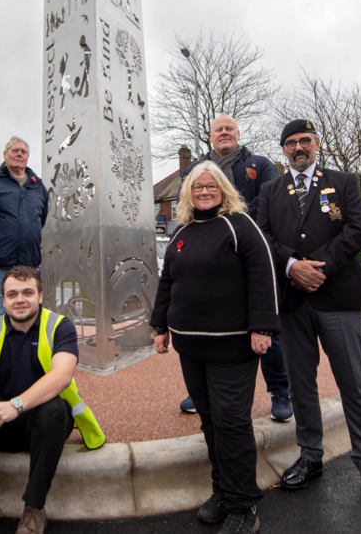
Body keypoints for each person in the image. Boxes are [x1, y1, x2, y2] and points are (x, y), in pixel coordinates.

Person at [255, 119, 361, 513]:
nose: (298, 147)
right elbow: (263, 236)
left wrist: (318, 268)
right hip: (293, 302)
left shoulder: (344, 182)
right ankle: (311, 456)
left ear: (316, 144)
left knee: (354, 383)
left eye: (305, 141)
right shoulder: (269, 190)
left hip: (338, 295)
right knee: (301, 385)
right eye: (291, 143)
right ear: (283, 150)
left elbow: (356, 229)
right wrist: (291, 266)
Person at [151, 161, 279, 534]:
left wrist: (262, 327)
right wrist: (161, 325)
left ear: (223, 189)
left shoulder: (239, 226)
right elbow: (167, 281)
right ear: (187, 193)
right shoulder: (182, 232)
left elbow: (262, 272)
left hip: (233, 346)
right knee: (209, 421)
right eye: (197, 187)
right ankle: (222, 490)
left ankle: (244, 506)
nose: (204, 191)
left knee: (231, 422)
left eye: (211, 186)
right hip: (191, 347)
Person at [0, 266, 105, 534]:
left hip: (44, 425)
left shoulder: (59, 326)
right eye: (12, 294)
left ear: (40, 296)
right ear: (3, 299)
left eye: (28, 292)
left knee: (53, 409)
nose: (20, 299)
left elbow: (62, 375)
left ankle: (34, 508)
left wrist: (15, 406)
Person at [178, 113, 292, 424]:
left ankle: (280, 390)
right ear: (211, 136)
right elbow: (187, 204)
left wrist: (232, 223)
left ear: (238, 133)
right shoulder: (193, 170)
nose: (224, 133)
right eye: (219, 130)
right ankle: (201, 390)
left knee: (263, 324)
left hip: (251, 256)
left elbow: (271, 200)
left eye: (230, 129)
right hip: (211, 262)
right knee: (209, 324)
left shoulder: (261, 164)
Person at [0, 136, 48, 321]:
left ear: (28, 157)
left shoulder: (38, 187)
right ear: (5, 154)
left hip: (28, 269)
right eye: (15, 150)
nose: (19, 154)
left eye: (23, 152)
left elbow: (41, 220)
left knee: (26, 320)